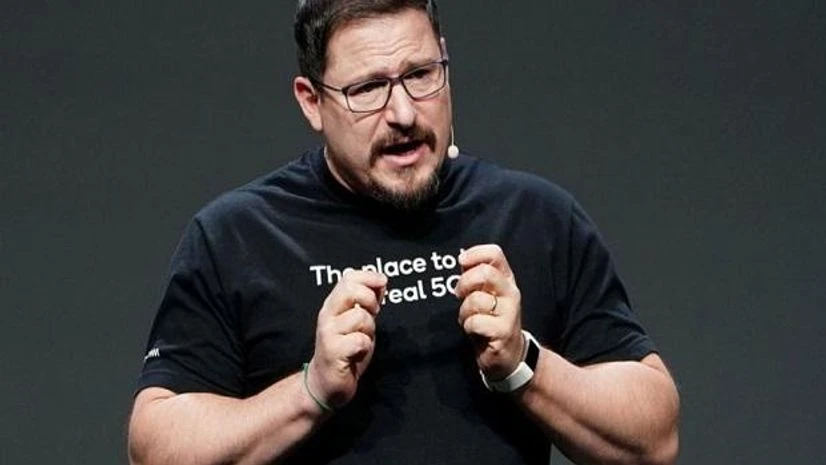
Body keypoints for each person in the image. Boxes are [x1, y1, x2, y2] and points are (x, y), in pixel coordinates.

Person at [127, 1, 680, 464]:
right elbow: (156, 447)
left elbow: (655, 436)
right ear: (312, 102)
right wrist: (310, 391)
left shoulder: (536, 216)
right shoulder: (238, 238)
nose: (403, 113)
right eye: (368, 88)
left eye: (420, 75)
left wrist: (524, 363)